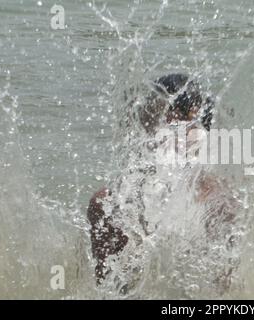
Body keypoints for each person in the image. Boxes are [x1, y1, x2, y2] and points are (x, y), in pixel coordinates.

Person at [87, 74, 237, 289]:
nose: (171, 137)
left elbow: (227, 290)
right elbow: (105, 285)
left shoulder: (221, 203)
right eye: (162, 124)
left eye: (184, 126)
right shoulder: (111, 203)